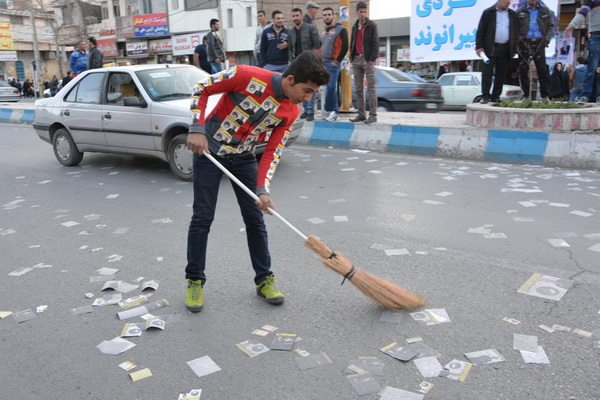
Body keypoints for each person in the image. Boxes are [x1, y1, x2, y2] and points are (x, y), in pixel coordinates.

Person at [183, 51, 330, 312]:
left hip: (243, 159)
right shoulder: (245, 75)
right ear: (290, 79)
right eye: (306, 91)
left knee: (256, 219)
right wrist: (197, 128)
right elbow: (202, 88)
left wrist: (262, 189)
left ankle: (264, 280)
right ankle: (195, 281)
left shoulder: (291, 112)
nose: (307, 99)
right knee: (202, 218)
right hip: (209, 154)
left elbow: (273, 151)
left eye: (312, 94)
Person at [475, 0, 519, 104]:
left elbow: (515, 32)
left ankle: (495, 96)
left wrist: (514, 48)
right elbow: (481, 31)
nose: (507, 3)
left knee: (501, 73)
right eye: (505, 1)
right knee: (487, 73)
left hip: (505, 48)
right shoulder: (488, 13)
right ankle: (485, 95)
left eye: (509, 1)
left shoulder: (512, 14)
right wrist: (479, 47)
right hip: (490, 48)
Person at [516, 0, 553, 102]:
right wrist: (517, 42)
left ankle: (545, 95)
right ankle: (526, 95)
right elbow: (515, 28)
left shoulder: (545, 10)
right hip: (524, 42)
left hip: (539, 42)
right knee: (523, 69)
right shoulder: (519, 11)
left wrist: (546, 40)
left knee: (542, 69)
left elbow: (551, 26)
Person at [288, 7, 321, 121]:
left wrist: (310, 56)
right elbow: (290, 48)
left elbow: (317, 44)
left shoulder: (310, 28)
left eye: (297, 15)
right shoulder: (291, 32)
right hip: (296, 64)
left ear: (302, 16)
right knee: (300, 88)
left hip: (309, 62)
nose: (295, 18)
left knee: (309, 87)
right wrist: (291, 61)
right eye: (293, 16)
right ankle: (306, 111)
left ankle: (310, 112)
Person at [349, 1, 379, 124]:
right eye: (360, 12)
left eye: (364, 12)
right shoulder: (355, 26)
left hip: (367, 60)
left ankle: (373, 115)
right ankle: (361, 114)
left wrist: (371, 59)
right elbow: (353, 42)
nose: (362, 14)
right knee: (358, 89)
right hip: (356, 59)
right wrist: (351, 57)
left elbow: (375, 43)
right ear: (356, 12)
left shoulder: (372, 25)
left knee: (371, 88)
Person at [565, 0, 600, 103]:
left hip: (595, 36)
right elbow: (583, 12)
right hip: (595, 35)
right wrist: (572, 25)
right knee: (591, 68)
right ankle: (585, 95)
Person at [320, 6, 349, 122]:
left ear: (333, 16)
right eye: (325, 15)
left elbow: (345, 46)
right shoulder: (323, 31)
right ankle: (333, 111)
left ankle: (330, 110)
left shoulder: (341, 29)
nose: (327, 17)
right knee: (328, 88)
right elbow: (320, 46)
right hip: (323, 63)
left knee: (331, 88)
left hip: (333, 63)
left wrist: (337, 61)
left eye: (329, 14)